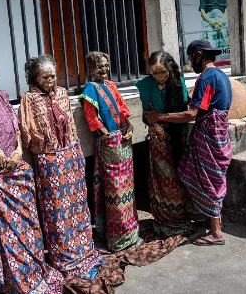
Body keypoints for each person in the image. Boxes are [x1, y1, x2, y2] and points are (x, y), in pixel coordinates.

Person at [0, 59, 63, 293]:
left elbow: (16, 130)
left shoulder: (3, 96)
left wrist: (17, 150)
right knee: (9, 236)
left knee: (29, 229)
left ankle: (35, 272)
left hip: (20, 175)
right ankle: (17, 281)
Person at [19, 55, 103, 280]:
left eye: (53, 75)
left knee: (77, 205)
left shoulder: (63, 93)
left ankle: (84, 249)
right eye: (45, 76)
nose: (50, 80)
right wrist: (44, 149)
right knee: (56, 210)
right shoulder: (28, 99)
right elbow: (28, 131)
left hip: (70, 156)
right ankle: (64, 256)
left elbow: (72, 127)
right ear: (34, 78)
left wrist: (75, 152)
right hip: (48, 161)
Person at [145, 40, 232, 246]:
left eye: (192, 57)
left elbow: (192, 114)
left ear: (199, 55)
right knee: (214, 178)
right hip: (220, 133)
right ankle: (215, 222)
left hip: (209, 134)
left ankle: (216, 233)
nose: (190, 62)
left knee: (206, 179)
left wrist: (160, 117)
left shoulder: (206, 77)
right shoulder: (221, 75)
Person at [80, 51, 142, 252]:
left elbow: (123, 109)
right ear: (91, 69)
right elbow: (93, 120)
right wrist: (109, 137)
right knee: (115, 191)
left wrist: (129, 126)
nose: (105, 70)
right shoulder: (90, 88)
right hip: (110, 146)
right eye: (100, 66)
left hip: (123, 143)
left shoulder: (111, 86)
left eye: (106, 65)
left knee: (127, 189)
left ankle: (131, 234)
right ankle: (118, 238)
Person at [134, 51, 193, 237]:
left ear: (170, 69)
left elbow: (184, 112)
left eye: (163, 72)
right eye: (155, 73)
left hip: (179, 136)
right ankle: (165, 219)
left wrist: (162, 120)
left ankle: (180, 219)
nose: (159, 77)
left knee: (178, 178)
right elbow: (145, 113)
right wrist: (154, 125)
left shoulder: (178, 82)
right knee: (162, 181)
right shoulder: (144, 85)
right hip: (158, 139)